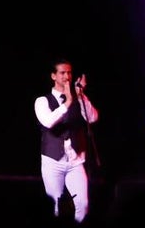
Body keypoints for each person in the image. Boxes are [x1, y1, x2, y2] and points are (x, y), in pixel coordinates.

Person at [34, 58, 99, 223]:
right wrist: (68, 102)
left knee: (83, 205)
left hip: (75, 160)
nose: (67, 77)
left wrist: (81, 96)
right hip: (53, 161)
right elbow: (48, 121)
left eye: (69, 72)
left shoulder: (79, 99)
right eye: (62, 73)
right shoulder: (42, 101)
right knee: (55, 207)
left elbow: (92, 118)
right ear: (53, 76)